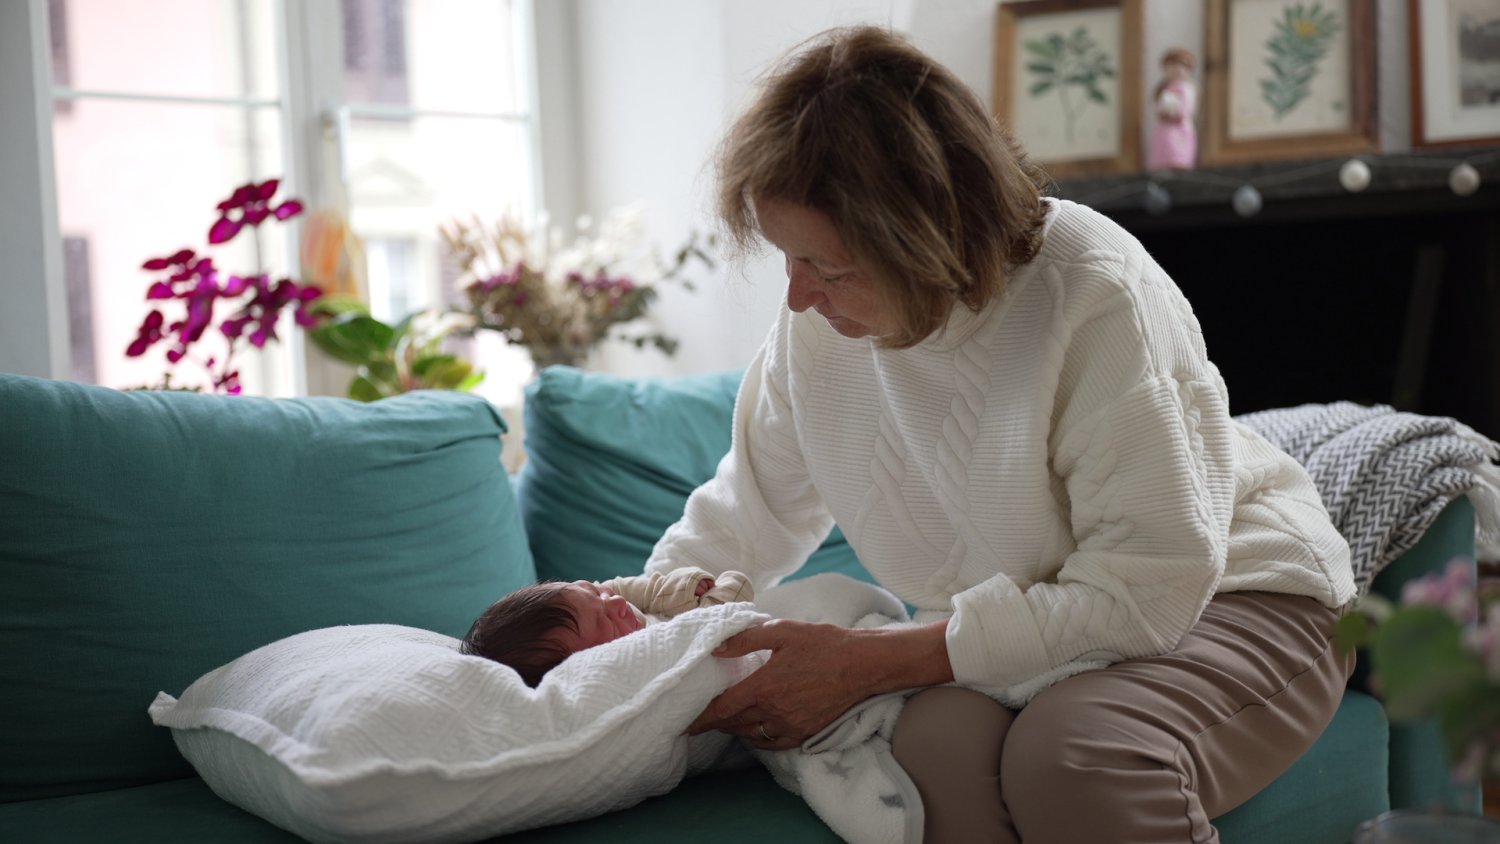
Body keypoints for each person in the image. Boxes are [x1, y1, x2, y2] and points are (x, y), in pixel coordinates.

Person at [644, 26, 1356, 843]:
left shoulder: (1092, 292)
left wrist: (872, 659)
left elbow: (1150, 587)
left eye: (832, 269)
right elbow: (744, 516)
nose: (799, 297)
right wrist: (629, 640)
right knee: (931, 751)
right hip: (1057, 623)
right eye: (789, 260)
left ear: (928, 238)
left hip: (1230, 592)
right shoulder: (819, 331)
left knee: (1074, 756)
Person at [461, 568, 753, 687]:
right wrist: (724, 592)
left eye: (593, 590)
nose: (614, 602)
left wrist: (682, 586)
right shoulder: (647, 653)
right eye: (606, 621)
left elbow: (646, 589)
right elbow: (716, 628)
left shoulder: (599, 602)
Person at [1148, 47, 1198, 171]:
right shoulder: (1164, 88)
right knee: (1163, 149)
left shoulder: (1186, 89)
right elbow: (1157, 106)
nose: (1176, 70)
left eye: (1180, 66)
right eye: (1171, 66)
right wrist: (1162, 113)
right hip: (1164, 127)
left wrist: (1176, 115)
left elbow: (1186, 108)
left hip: (1179, 127)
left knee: (1176, 150)